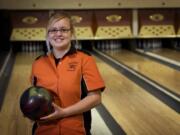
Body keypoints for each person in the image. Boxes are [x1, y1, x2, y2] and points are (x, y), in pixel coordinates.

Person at [30, 12, 105, 135]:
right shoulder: (38, 63)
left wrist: (64, 112)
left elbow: (95, 98)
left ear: (72, 33)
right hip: (43, 130)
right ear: (48, 35)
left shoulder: (85, 59)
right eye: (53, 30)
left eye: (64, 29)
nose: (58, 34)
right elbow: (35, 97)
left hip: (76, 130)